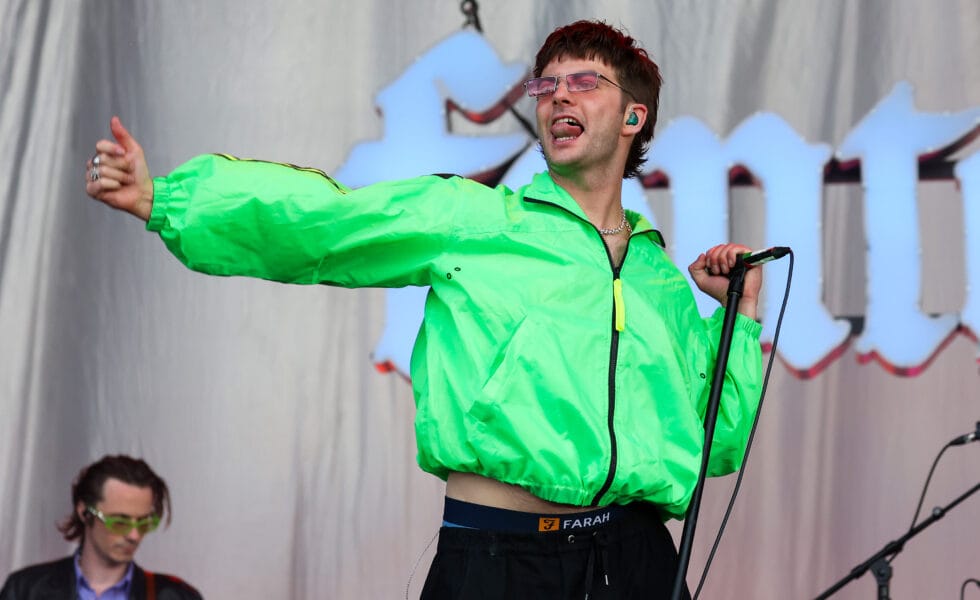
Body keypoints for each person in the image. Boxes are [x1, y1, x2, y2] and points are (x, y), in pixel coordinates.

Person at [83, 20, 762, 599]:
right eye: (546, 84)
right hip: (499, 557)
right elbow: (328, 223)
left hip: (635, 560)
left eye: (585, 82)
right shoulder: (475, 218)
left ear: (634, 116)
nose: (558, 96)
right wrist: (165, 199)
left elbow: (717, 445)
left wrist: (739, 320)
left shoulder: (660, 282)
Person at [0, 455, 202, 600]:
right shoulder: (25, 589)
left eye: (143, 523)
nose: (134, 535)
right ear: (84, 512)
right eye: (120, 522)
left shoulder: (177, 596)